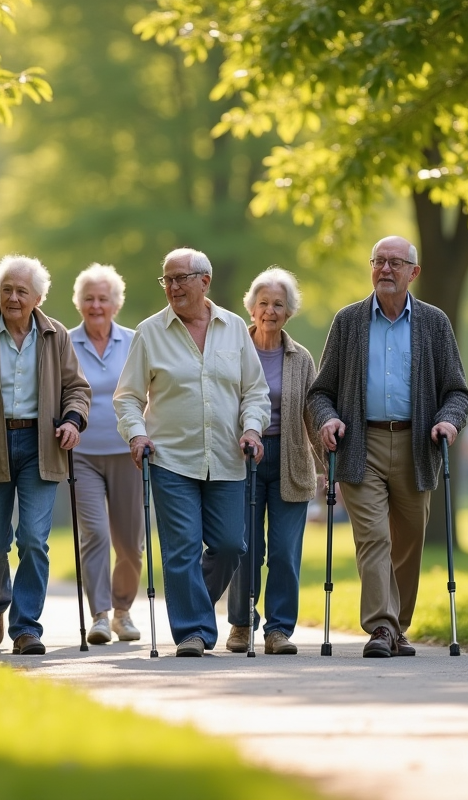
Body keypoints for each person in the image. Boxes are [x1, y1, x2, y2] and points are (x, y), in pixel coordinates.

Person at [308, 235, 468, 658]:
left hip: (418, 445)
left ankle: (399, 627)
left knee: (408, 542)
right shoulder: (349, 321)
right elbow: (320, 392)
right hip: (363, 443)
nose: (384, 269)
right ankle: (380, 627)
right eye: (378, 261)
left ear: (413, 273)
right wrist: (327, 420)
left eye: (395, 263)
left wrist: (448, 423)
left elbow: (457, 391)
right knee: (374, 538)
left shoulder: (435, 323)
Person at [114, 247, 270, 658]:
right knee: (181, 547)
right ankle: (193, 632)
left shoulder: (235, 328)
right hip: (170, 459)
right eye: (168, 279)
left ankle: (193, 602)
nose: (174, 286)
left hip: (227, 457)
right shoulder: (150, 332)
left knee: (230, 545)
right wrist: (135, 435)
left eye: (182, 277)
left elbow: (254, 390)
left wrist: (252, 428)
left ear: (205, 281)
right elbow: (127, 397)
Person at [0, 255, 91, 655]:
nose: (12, 297)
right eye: (6, 289)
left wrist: (74, 420)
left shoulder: (55, 335)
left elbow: (76, 387)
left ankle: (26, 627)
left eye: (21, 291)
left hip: (41, 446)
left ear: (38, 297)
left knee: (33, 540)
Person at [224, 267, 321, 656]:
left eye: (278, 304)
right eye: (263, 303)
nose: (270, 311)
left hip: (289, 458)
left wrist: (328, 464)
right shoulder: (232, 351)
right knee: (245, 547)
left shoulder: (301, 359)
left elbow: (313, 413)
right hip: (241, 458)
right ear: (251, 308)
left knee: (284, 550)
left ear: (289, 311)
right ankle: (242, 624)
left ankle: (279, 629)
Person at [67, 263, 144, 645]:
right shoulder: (62, 342)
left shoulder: (134, 341)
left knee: (130, 542)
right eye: (89, 298)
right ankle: (99, 615)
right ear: (79, 303)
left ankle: (122, 612)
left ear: (116, 303)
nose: (96, 305)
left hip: (128, 452)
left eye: (103, 298)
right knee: (94, 533)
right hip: (81, 454)